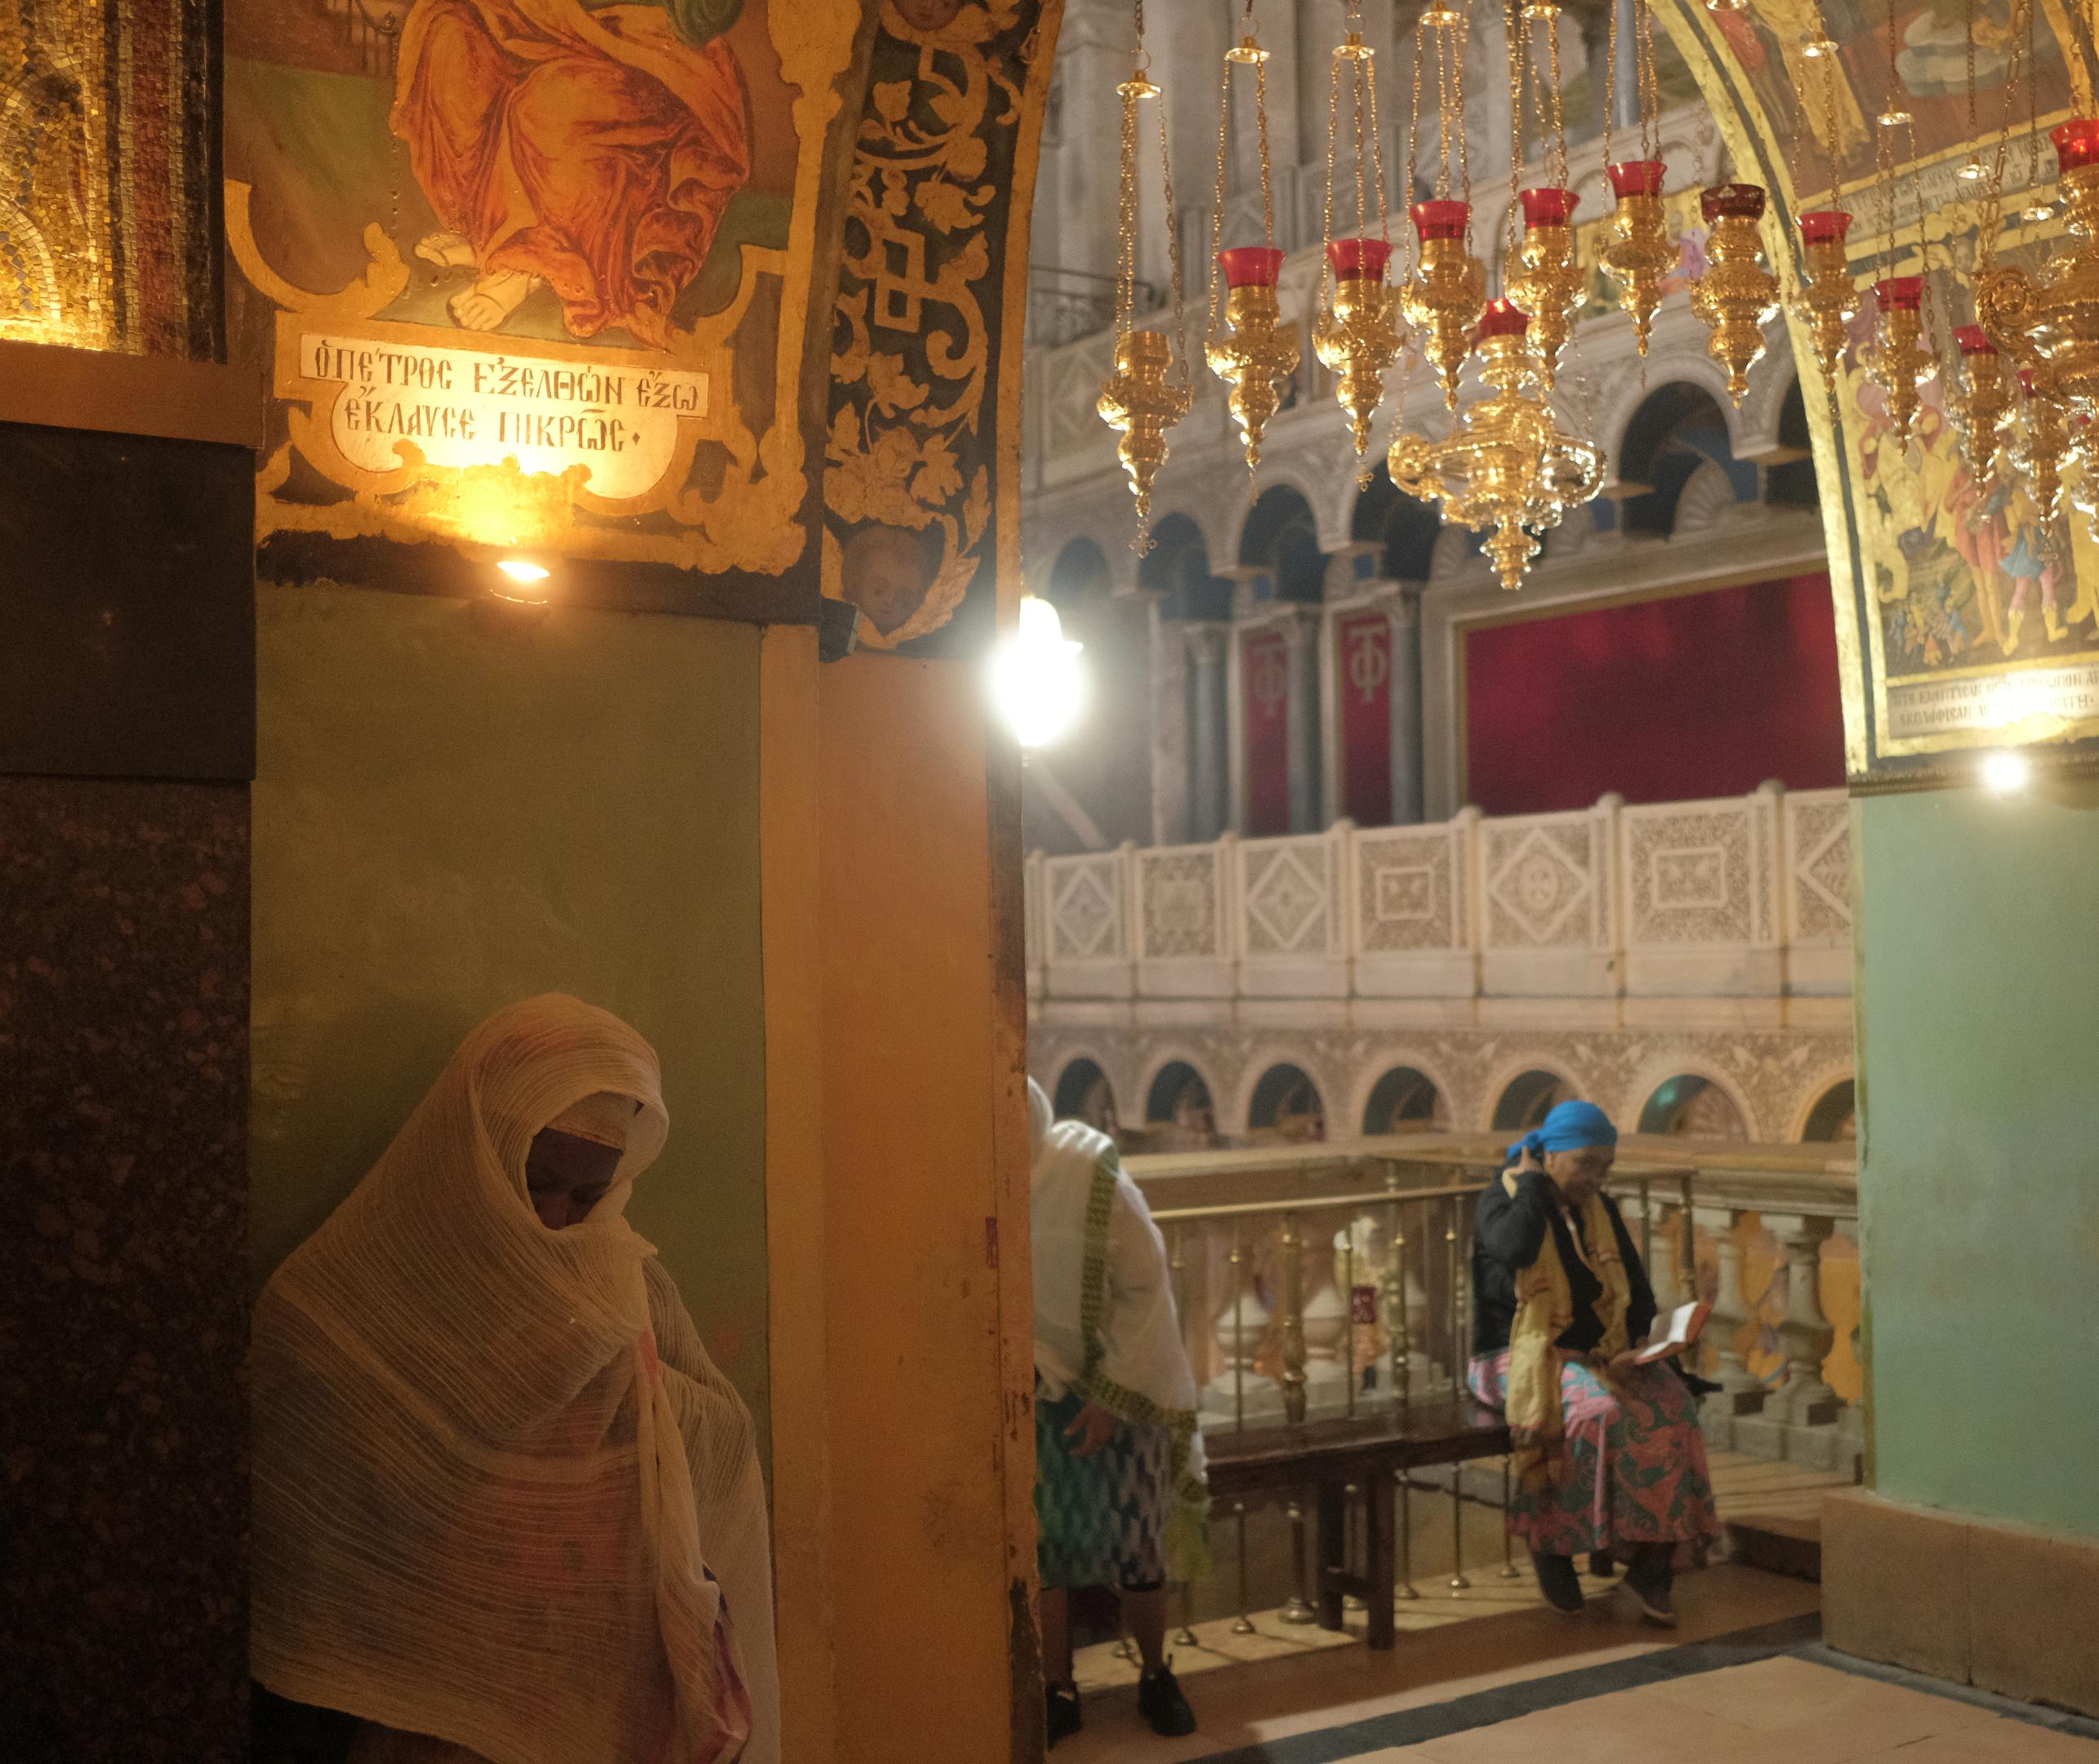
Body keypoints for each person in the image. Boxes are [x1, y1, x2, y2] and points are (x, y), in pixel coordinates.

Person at [250, 995, 778, 1764]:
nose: (561, 1221)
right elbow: (327, 1523)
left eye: (589, 1194)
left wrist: (628, 1405)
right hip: (420, 1714)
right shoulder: (346, 1301)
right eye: (536, 1181)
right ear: (478, 1152)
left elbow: (720, 1439)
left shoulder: (620, 1279)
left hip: (583, 1700)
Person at [1467, 1099, 1720, 1627]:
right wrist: (1534, 1186)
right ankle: (1551, 1544)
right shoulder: (1506, 1198)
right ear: (1551, 1156)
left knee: (1672, 1406)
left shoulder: (1596, 1212)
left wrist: (1640, 1346)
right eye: (1585, 1163)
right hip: (1515, 1357)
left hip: (1595, 1354)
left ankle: (1653, 1565)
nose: (1596, 1178)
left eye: (1604, 1167)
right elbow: (1513, 1250)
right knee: (1597, 1411)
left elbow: (1637, 1290)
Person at [390, 0, 752, 343]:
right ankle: (491, 236)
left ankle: (530, 264)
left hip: (647, 49)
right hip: (544, 22)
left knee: (547, 105)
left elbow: (707, 15)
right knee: (450, 36)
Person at [1030, 1079, 1209, 1749]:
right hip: (1039, 1399)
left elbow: (1145, 1285)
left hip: (1117, 1393)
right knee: (1047, 1552)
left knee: (1139, 1548)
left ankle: (1156, 1675)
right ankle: (1058, 1687)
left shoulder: (1088, 1172)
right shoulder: (979, 1176)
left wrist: (1108, 1394)